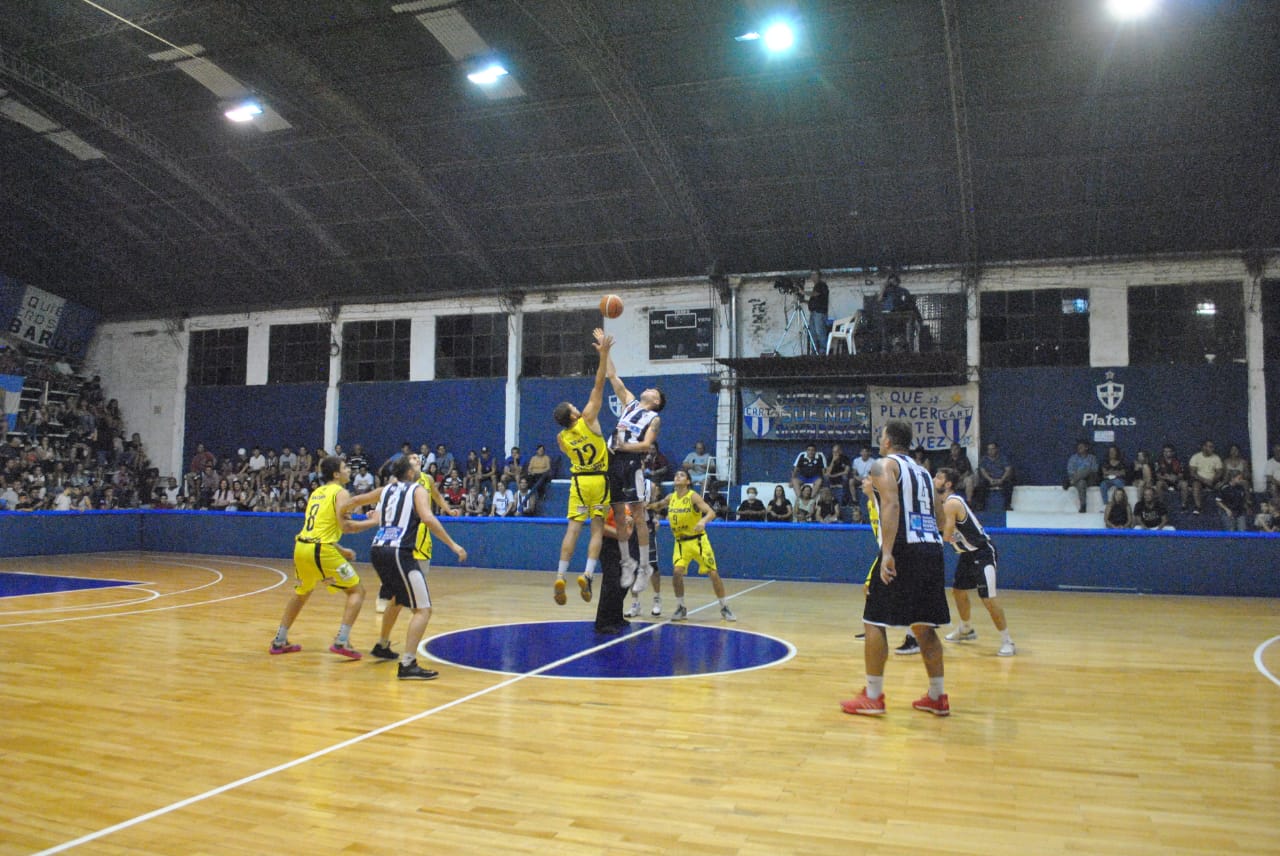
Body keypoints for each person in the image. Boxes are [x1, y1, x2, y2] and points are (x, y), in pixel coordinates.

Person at [841, 419, 950, 717]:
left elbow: (891, 505)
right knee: (924, 625)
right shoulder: (924, 472)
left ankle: (873, 696)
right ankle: (937, 696)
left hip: (903, 549)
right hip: (932, 549)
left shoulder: (881, 465)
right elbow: (941, 519)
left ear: (888, 440)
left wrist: (887, 552)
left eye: (881, 436)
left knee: (874, 620)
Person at [269, 456, 379, 659]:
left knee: (302, 592)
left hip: (302, 547)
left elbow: (319, 529)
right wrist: (374, 522)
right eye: (345, 467)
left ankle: (279, 640)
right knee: (357, 591)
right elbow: (347, 527)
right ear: (336, 474)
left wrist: (339, 549)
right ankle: (342, 640)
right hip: (320, 550)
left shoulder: (317, 493)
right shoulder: (341, 492)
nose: (348, 470)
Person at [600, 327, 666, 594]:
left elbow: (648, 445)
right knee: (617, 511)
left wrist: (626, 445)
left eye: (652, 390)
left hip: (630, 461)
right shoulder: (629, 403)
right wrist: (605, 352)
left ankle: (644, 566)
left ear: (657, 401)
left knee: (638, 515)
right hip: (612, 459)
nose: (647, 388)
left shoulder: (654, 418)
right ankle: (627, 561)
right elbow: (612, 376)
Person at [551, 331, 615, 605]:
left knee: (572, 530)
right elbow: (599, 383)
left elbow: (566, 452)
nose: (578, 406)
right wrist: (603, 354)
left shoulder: (562, 437)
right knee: (597, 529)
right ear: (574, 415)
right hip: (598, 480)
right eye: (574, 406)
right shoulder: (588, 418)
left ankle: (560, 575)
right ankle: (588, 574)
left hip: (577, 482)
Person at [934, 467, 1016, 657]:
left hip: (983, 552)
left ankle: (1007, 641)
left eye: (938, 477)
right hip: (967, 554)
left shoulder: (951, 503)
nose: (933, 479)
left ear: (947, 484)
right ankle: (966, 628)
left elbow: (946, 535)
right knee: (958, 591)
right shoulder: (942, 502)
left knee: (988, 598)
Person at [648, 469, 736, 622]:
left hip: (698, 541)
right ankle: (681, 607)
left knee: (713, 574)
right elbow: (659, 505)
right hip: (681, 543)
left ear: (688, 481)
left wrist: (702, 521)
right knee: (677, 573)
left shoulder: (693, 497)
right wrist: (645, 506)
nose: (677, 476)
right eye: (676, 475)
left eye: (681, 475)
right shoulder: (671, 497)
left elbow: (711, 513)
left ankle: (724, 606)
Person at [627, 475, 665, 618]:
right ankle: (635, 603)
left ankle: (657, 600)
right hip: (631, 528)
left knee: (653, 566)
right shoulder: (626, 484)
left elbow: (654, 507)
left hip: (646, 527)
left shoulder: (651, 485)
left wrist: (655, 518)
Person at [594, 506, 636, 634]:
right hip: (609, 544)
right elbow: (599, 526)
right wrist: (619, 534)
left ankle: (616, 616)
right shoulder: (603, 502)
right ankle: (603, 622)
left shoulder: (623, 503)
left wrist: (631, 522)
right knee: (611, 582)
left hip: (623, 545)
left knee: (624, 581)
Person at [973, 441, 1015, 511]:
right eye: (989, 449)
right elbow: (982, 470)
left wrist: (1002, 479)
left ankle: (1007, 505)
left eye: (992, 449)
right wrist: (990, 479)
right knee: (981, 484)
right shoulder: (984, 459)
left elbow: (1008, 469)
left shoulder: (1003, 458)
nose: (990, 451)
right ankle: (980, 505)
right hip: (989, 479)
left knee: (1009, 484)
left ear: (996, 449)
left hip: (1002, 478)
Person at [1187, 439, 1224, 516]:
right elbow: (1192, 473)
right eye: (1210, 447)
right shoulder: (1195, 457)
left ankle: (1222, 509)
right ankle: (1198, 507)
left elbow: (1219, 473)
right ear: (1204, 447)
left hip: (1212, 481)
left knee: (1222, 486)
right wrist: (1204, 480)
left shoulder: (1216, 458)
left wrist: (1213, 480)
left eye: (1212, 447)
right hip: (1200, 480)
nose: (1212, 449)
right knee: (1195, 485)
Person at [1064, 440, 1099, 513]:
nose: (1079, 448)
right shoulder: (1073, 458)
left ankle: (1070, 482)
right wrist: (1080, 475)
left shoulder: (1092, 458)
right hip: (1078, 481)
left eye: (1081, 447)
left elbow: (1095, 470)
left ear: (1086, 447)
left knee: (1087, 469)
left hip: (1090, 479)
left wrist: (1083, 472)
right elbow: (1070, 471)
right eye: (1078, 447)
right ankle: (1083, 506)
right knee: (1081, 482)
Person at [806, 269, 830, 354]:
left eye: (814, 275)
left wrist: (803, 292)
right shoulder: (816, 286)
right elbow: (815, 301)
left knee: (820, 332)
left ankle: (823, 352)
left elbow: (816, 294)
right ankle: (815, 352)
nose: (813, 277)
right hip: (813, 313)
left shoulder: (821, 285)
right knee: (813, 334)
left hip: (819, 313)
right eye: (812, 275)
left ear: (818, 276)